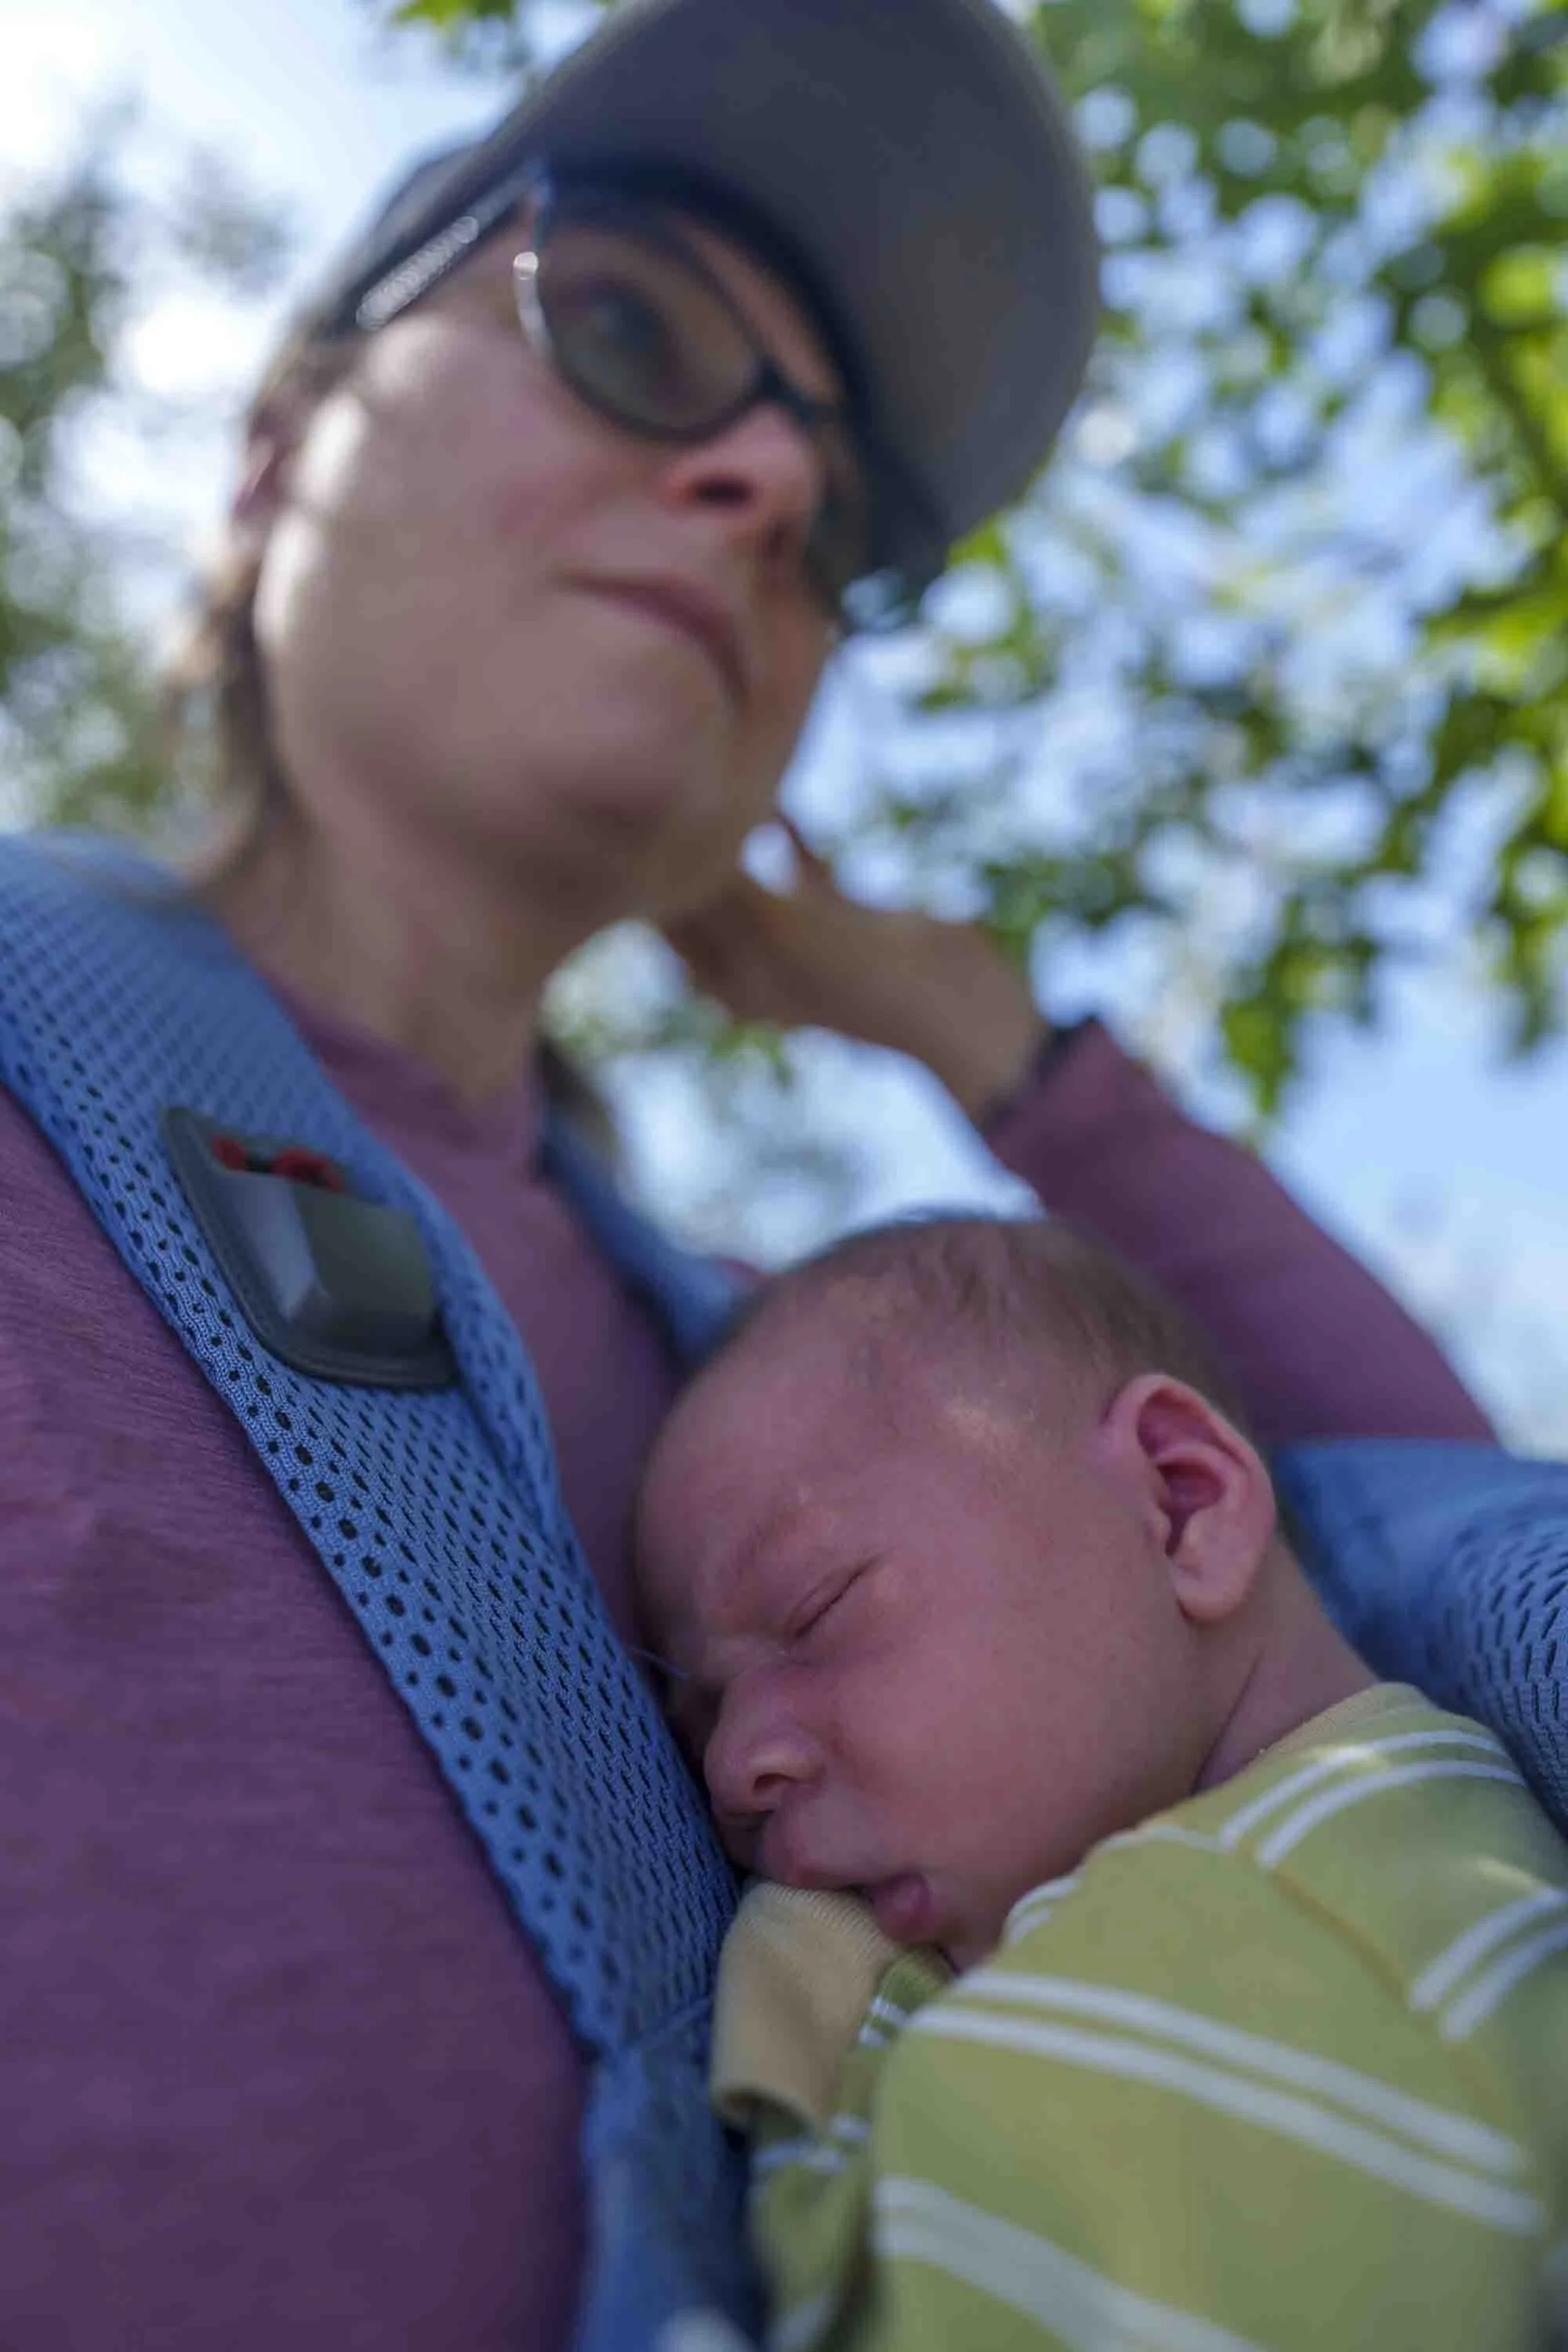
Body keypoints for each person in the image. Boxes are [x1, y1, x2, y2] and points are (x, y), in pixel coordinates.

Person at [0, 1, 1497, 2347]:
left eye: (845, 522)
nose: (771, 496)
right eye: (625, 325)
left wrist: (968, 1026)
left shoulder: (786, 1408)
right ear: (280, 448)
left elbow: (1413, 1533)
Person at [633, 1214, 1568, 2352]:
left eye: (813, 1609)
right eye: (700, 1720)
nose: (732, 1769)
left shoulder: (1342, 1954)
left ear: (1179, 1503)